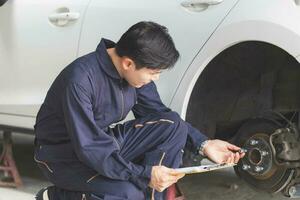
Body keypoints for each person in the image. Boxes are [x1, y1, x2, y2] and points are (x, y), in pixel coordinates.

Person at [34, 21, 245, 200]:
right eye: (153, 72)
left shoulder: (134, 77)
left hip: (100, 144)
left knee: (173, 125)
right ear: (128, 63)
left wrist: (204, 144)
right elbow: (89, 147)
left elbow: (160, 115)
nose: (156, 78)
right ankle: (58, 195)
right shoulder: (80, 80)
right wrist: (144, 174)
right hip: (62, 157)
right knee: (129, 192)